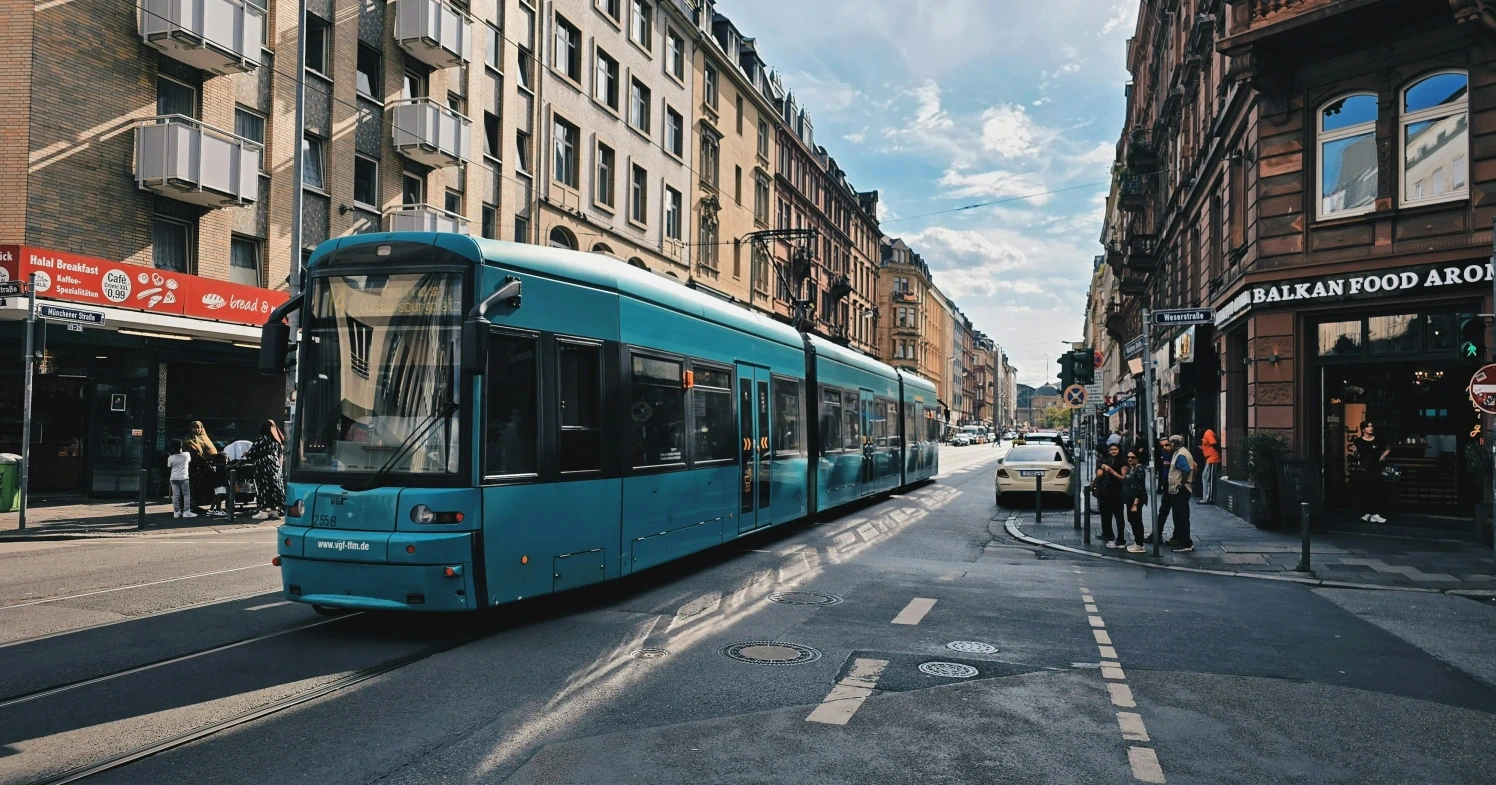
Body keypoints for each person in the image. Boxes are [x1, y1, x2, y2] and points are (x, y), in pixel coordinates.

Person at [1349, 421, 1391, 523]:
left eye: (1371, 426)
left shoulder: (1377, 440)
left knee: (1375, 490)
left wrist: (1381, 458)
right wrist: (1354, 451)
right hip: (1363, 468)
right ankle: (1367, 513)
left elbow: (1388, 449)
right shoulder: (1358, 441)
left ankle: (1375, 514)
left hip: (1375, 468)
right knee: (1364, 491)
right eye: (1368, 426)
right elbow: (1355, 456)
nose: (1371, 428)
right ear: (1363, 429)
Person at [1162, 435, 1197, 552]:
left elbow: (1186, 470)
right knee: (1180, 515)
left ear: (1173, 444)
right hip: (1180, 489)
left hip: (1180, 490)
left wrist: (1182, 483)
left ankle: (1185, 543)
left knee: (1181, 516)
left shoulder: (1181, 454)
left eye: (1169, 444)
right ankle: (1179, 539)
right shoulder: (1182, 452)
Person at [248, 420, 286, 520]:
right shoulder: (277, 440)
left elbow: (252, 452)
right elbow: (280, 454)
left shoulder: (262, 438)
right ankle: (274, 510)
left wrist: (246, 454)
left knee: (263, 488)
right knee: (273, 487)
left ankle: (264, 511)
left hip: (262, 465)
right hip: (275, 465)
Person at [1093, 443, 1127, 548]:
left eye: (1115, 449)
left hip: (1118, 491)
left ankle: (1121, 538)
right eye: (1111, 449)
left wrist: (1110, 471)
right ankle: (1117, 538)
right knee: (1111, 513)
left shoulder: (1122, 462)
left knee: (1118, 515)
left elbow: (1123, 478)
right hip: (1109, 491)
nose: (1113, 451)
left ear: (1119, 450)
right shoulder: (1109, 460)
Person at [183, 420, 217, 516]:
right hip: (193, 467)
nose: (197, 429)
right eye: (195, 427)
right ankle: (192, 506)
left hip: (205, 468)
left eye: (199, 427)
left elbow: (212, 451)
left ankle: (200, 505)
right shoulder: (188, 440)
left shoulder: (205, 438)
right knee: (193, 487)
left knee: (205, 486)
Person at [1120, 450, 1148, 553]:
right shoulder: (1133, 468)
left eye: (1133, 457)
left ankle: (1140, 544)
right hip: (1130, 499)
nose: (1130, 459)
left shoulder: (1139, 470)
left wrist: (1135, 504)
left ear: (1138, 458)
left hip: (1135, 500)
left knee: (1136, 521)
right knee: (1132, 520)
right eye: (1128, 457)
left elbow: (1139, 488)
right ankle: (1137, 542)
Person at [166, 439, 196, 519]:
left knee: (175, 495)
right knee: (186, 494)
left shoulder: (170, 458)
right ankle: (186, 511)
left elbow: (169, 467)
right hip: (183, 477)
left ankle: (176, 512)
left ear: (172, 448)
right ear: (181, 446)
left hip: (173, 477)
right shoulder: (186, 455)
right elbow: (189, 461)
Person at [1199, 428, 1221, 504]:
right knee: (1205, 476)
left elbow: (1214, 443)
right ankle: (1206, 497)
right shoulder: (1206, 434)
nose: (1198, 432)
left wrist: (1220, 453)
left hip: (1213, 459)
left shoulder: (1208, 433)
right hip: (1209, 459)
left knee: (1210, 479)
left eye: (1198, 430)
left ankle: (1210, 498)